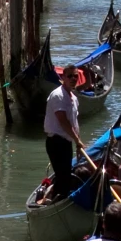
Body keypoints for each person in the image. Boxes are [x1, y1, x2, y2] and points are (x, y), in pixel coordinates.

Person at [43, 64, 84, 200]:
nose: (73, 78)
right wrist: (77, 141)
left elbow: (74, 124)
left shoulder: (74, 98)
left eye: (76, 76)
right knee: (63, 177)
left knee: (65, 176)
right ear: (63, 77)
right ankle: (54, 201)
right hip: (56, 142)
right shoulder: (58, 96)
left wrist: (78, 143)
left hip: (66, 142)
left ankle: (55, 198)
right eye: (70, 76)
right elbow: (63, 121)